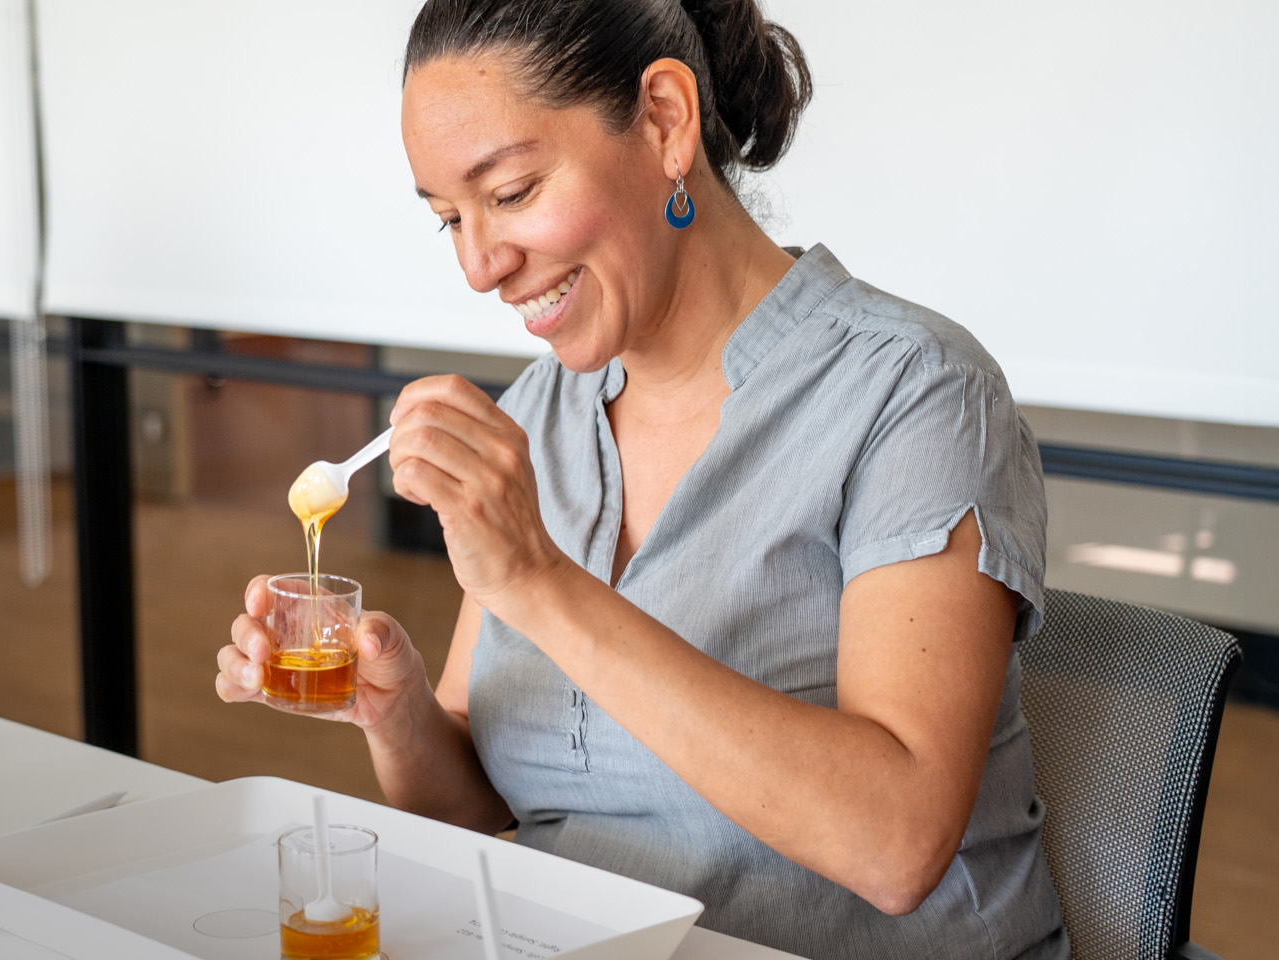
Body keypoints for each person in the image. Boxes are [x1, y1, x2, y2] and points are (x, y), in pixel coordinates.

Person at [215, 1, 1065, 957]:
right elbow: (477, 811)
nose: (480, 266)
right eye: (448, 220)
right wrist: (399, 710)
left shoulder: (917, 395)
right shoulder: (538, 416)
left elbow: (896, 843)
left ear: (664, 119)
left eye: (514, 190)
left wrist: (540, 582)